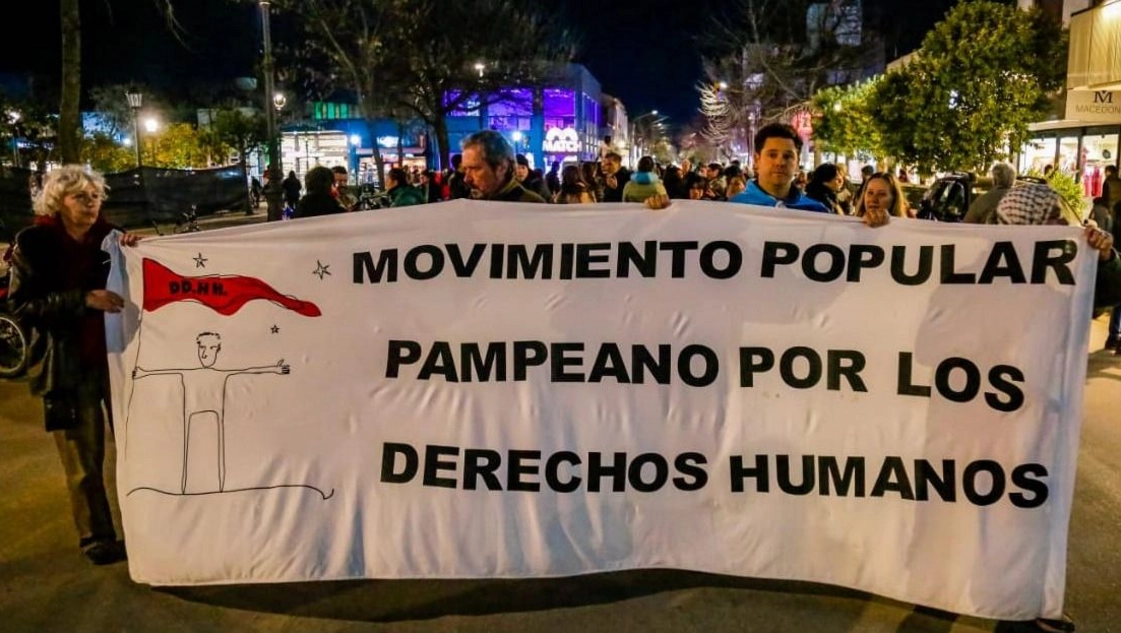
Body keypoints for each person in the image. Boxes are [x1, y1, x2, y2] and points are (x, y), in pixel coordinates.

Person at [6, 165, 141, 566]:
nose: (91, 203)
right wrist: (82, 299)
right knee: (83, 459)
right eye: (80, 196)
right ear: (58, 202)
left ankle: (147, 528)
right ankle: (96, 536)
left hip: (119, 363)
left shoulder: (112, 239)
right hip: (67, 366)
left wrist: (138, 252)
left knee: (140, 447)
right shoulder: (34, 243)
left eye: (95, 196)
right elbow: (22, 305)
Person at [727, 123, 848, 217]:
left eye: (787, 156)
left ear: (797, 162)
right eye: (772, 155)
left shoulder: (816, 211)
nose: (780, 163)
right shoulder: (732, 209)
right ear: (757, 160)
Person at [459, 130, 546, 203]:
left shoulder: (531, 206)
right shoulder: (467, 203)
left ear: (501, 167)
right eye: (465, 169)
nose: (467, 179)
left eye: (475, 169)